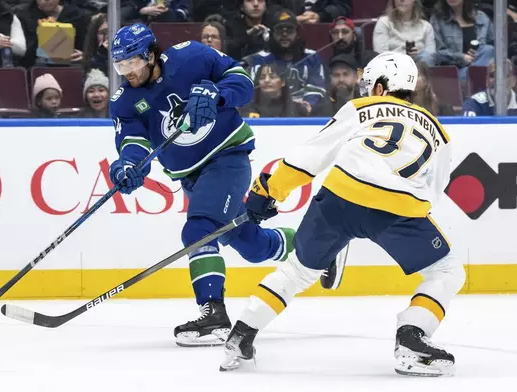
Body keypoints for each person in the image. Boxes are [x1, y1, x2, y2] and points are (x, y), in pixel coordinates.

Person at [219, 52, 466, 377]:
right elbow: (435, 189)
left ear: (379, 87)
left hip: (340, 194)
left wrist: (268, 192)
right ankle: (412, 337)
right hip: (399, 208)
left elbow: (309, 156)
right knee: (447, 271)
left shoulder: (362, 108)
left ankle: (242, 335)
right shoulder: (438, 130)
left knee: (296, 271)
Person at [109, 23, 296, 347]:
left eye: (133, 63)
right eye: (121, 66)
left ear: (151, 55)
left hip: (227, 159)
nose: (128, 72)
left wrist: (217, 94)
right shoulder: (124, 100)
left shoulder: (192, 57)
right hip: (192, 178)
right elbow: (133, 141)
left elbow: (241, 81)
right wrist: (129, 165)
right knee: (252, 246)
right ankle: (315, 244)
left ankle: (214, 314)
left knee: (198, 230)